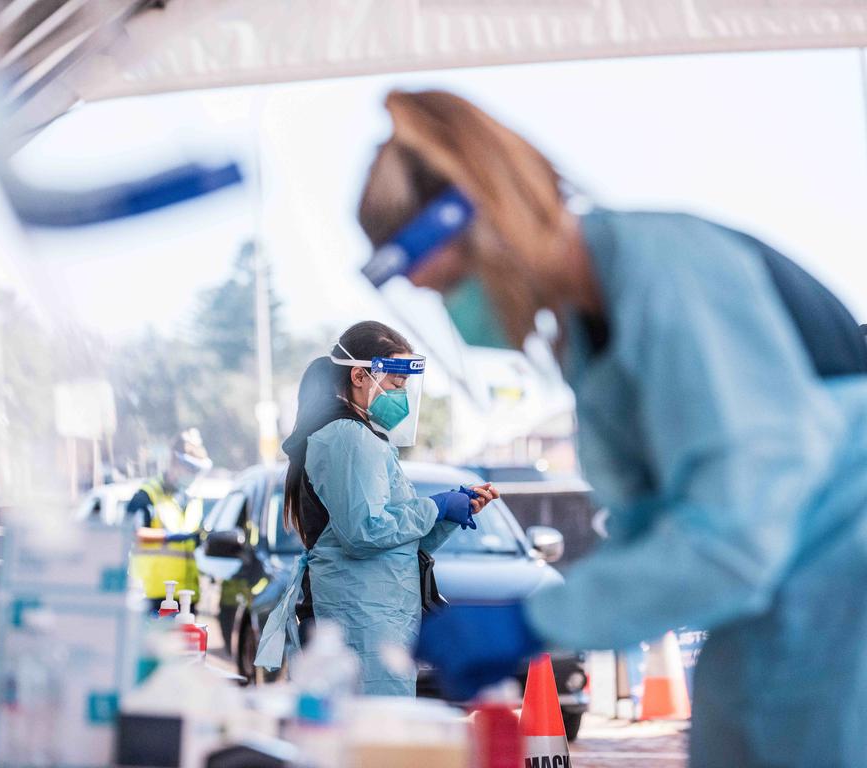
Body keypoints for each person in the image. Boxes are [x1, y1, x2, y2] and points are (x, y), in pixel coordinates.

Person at [356, 90, 867, 766]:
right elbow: (658, 533)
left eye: (451, 286)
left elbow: (739, 534)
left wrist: (537, 619)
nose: (458, 313)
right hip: (769, 627)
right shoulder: (590, 337)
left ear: (491, 228)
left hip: (838, 613)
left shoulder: (671, 275)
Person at [254, 321, 497, 695]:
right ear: (360, 375)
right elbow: (364, 532)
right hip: (362, 622)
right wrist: (434, 506)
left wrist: (447, 513)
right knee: (371, 735)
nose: (402, 395)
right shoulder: (347, 436)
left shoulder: (359, 435)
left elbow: (391, 542)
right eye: (397, 385)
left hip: (375, 617)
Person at [128, 429, 212, 614]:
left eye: (197, 470)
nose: (193, 474)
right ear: (174, 462)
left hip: (186, 598)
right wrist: (171, 536)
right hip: (152, 598)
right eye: (190, 468)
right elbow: (132, 533)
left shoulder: (193, 499)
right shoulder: (148, 495)